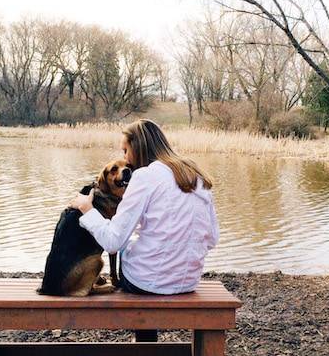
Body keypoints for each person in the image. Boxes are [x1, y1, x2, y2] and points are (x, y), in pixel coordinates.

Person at [68, 119, 219, 295]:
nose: (125, 157)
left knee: (125, 245)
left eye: (125, 150)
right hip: (189, 282)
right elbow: (212, 238)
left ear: (138, 148)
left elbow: (112, 242)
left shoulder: (144, 177)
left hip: (146, 282)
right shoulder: (196, 176)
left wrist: (87, 209)